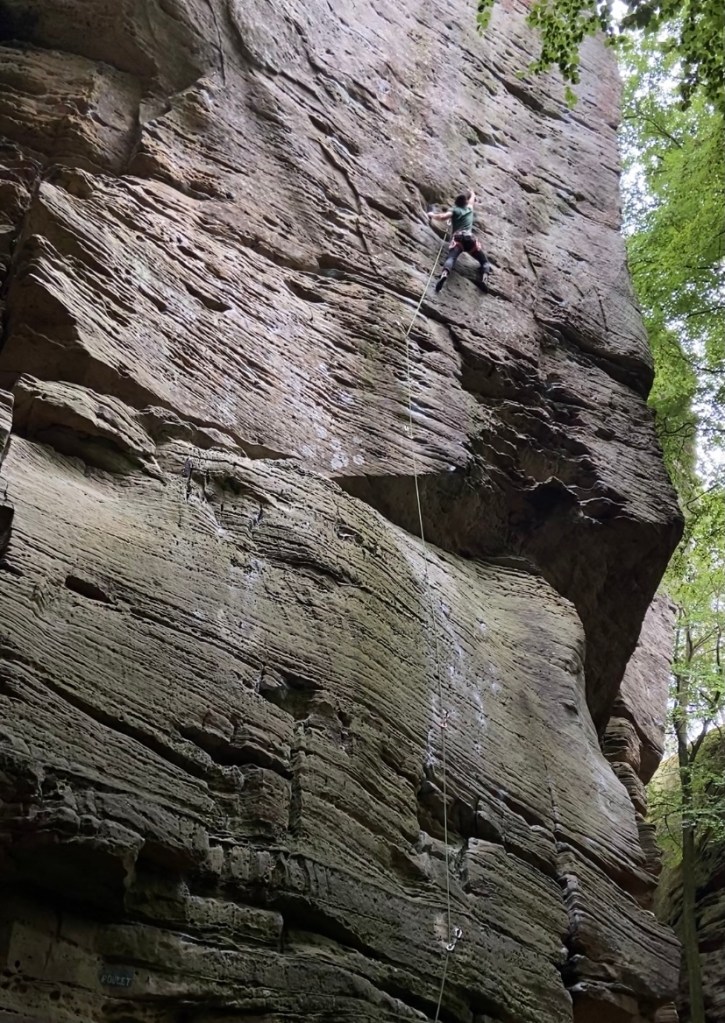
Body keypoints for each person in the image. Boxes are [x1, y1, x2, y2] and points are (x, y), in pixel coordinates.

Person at [427, 189, 492, 293]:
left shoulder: (454, 210)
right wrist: (471, 191)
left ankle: (444, 274)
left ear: (456, 203)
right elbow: (472, 199)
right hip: (470, 240)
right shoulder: (469, 208)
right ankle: (484, 279)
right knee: (484, 262)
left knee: (451, 258)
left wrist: (431, 215)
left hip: (458, 240)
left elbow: (442, 217)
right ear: (465, 202)